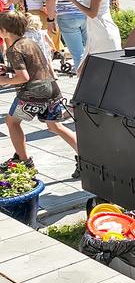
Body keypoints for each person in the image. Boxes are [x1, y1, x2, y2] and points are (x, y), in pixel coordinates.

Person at [0, 11, 77, 172]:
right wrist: (8, 69)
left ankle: (24, 160)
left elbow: (23, 77)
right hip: (51, 89)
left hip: (32, 94)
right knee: (55, 126)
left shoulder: (13, 50)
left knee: (12, 122)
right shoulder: (29, 42)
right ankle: (86, 156)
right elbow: (34, 66)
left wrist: (4, 80)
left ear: (5, 31)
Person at [55, 0, 121, 74]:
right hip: (95, 32)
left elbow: (92, 13)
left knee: (96, 73)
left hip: (103, 33)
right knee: (83, 71)